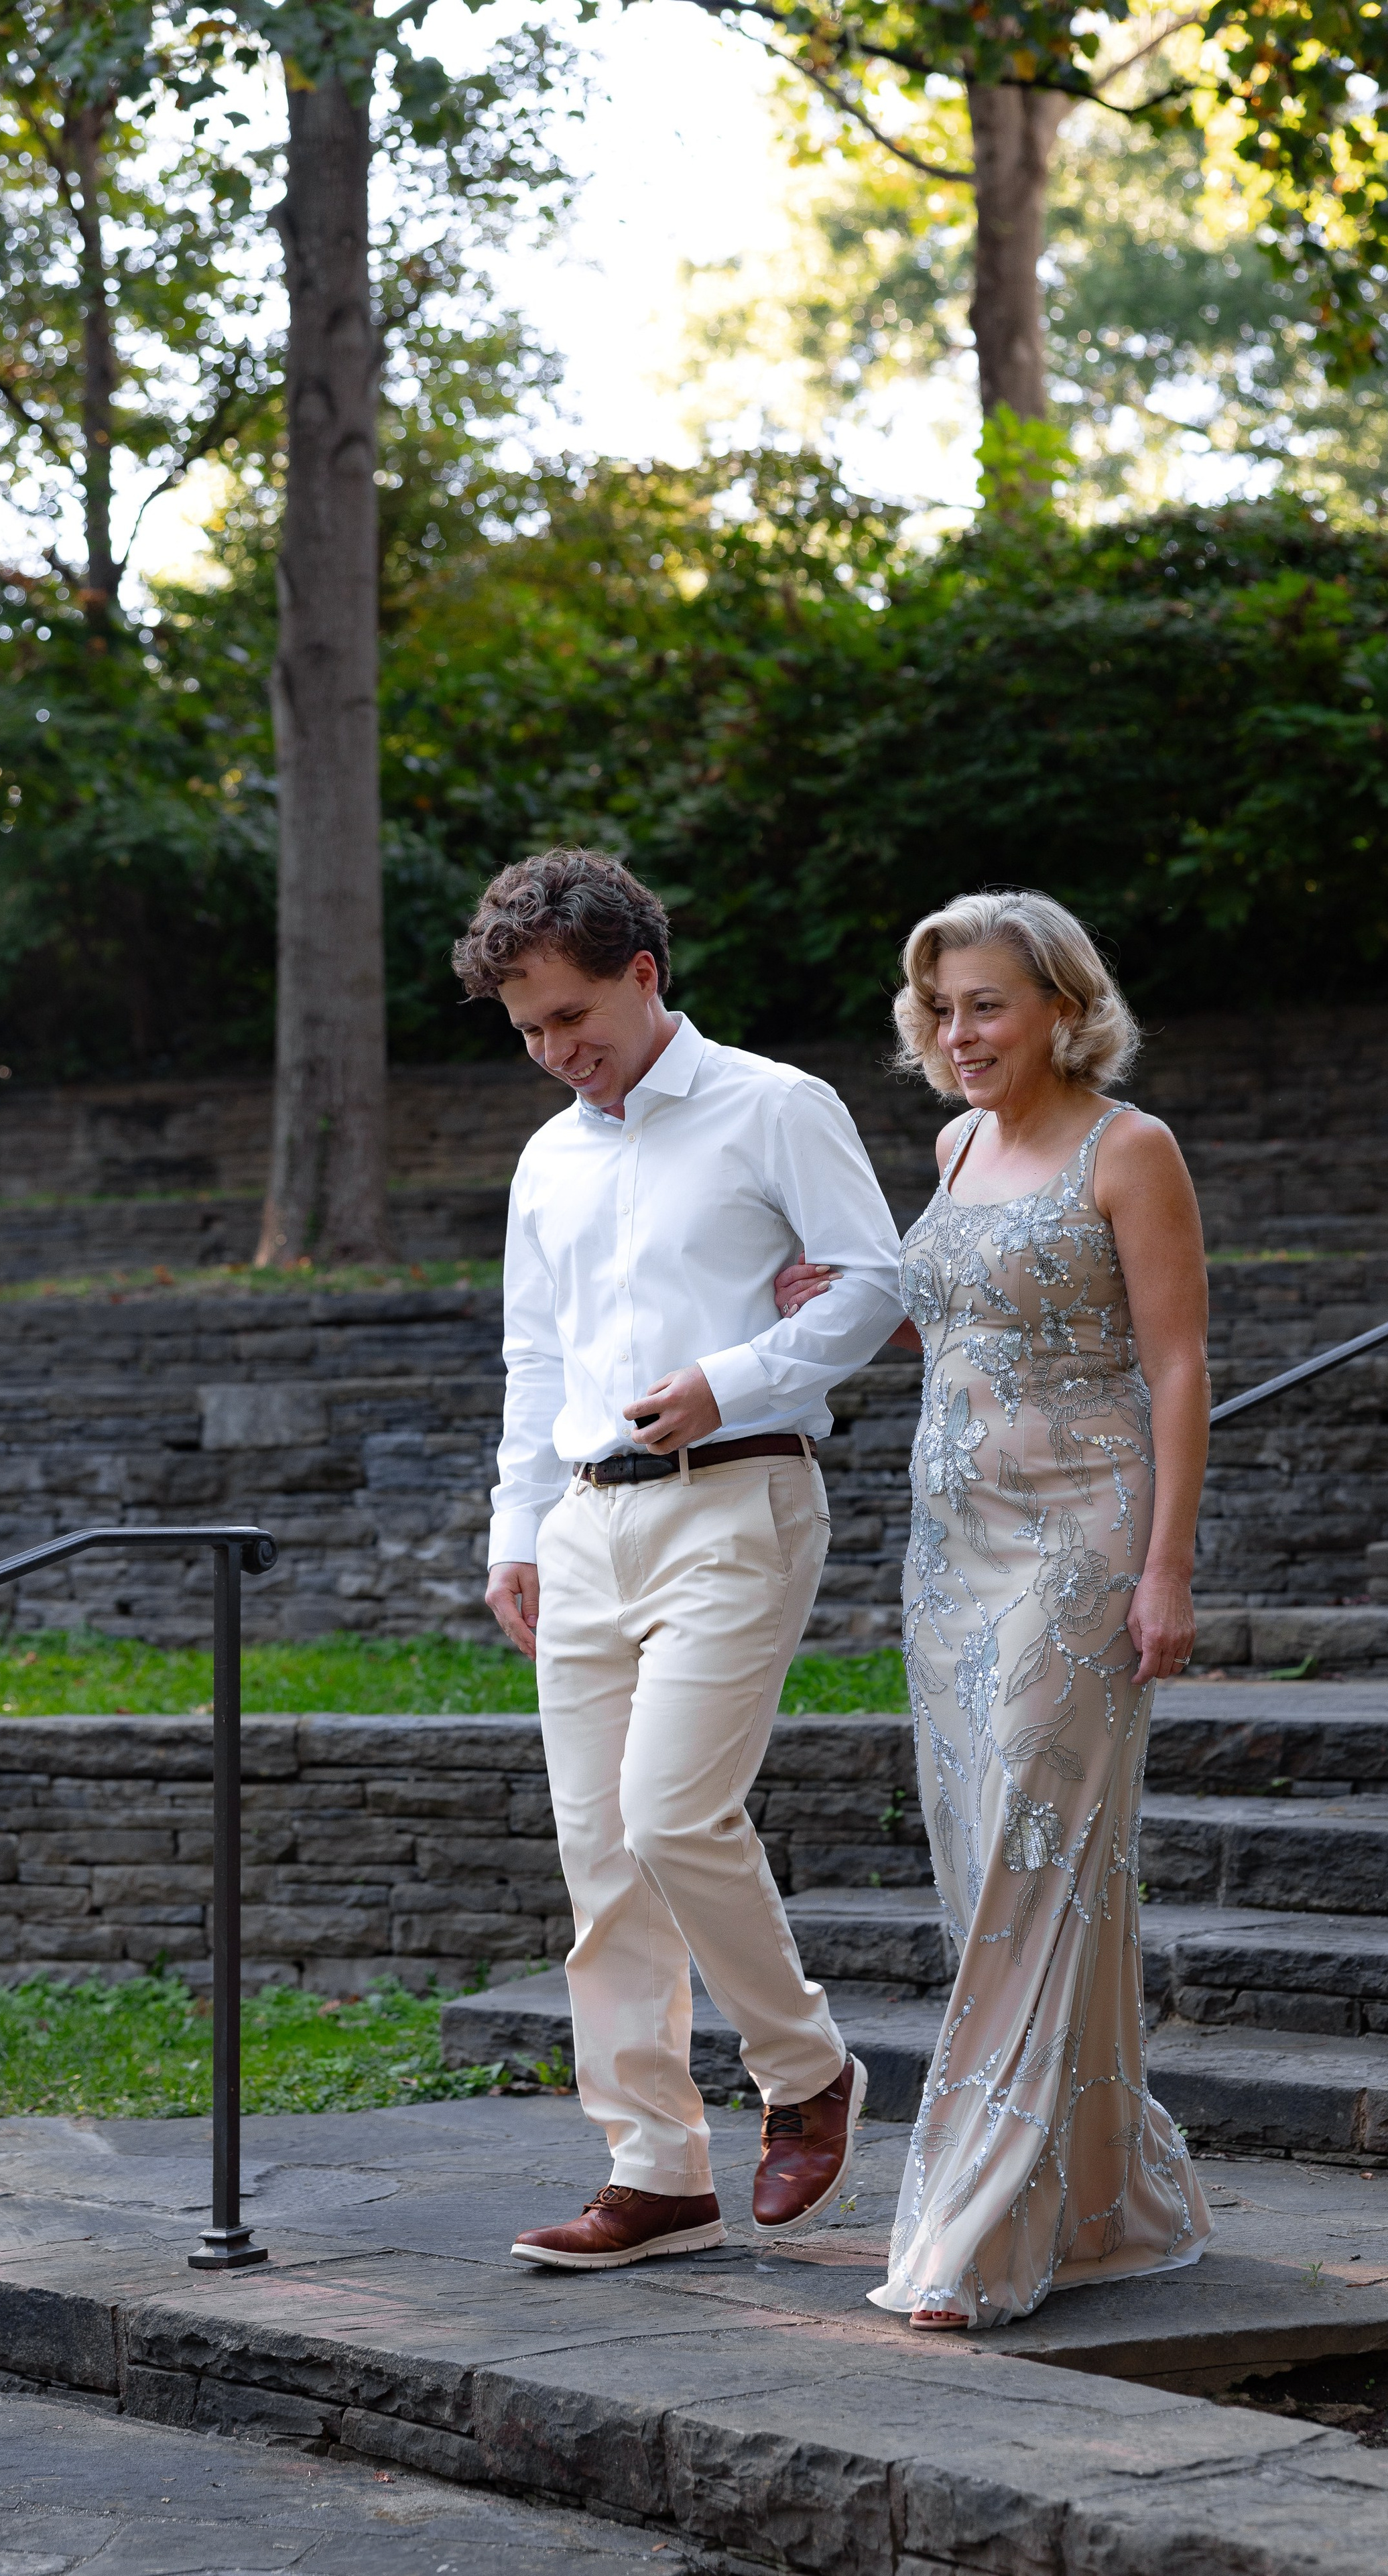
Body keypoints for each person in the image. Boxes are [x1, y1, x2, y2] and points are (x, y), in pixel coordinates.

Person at [452, 846, 905, 2273]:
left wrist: (734, 1375)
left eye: (572, 1015)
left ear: (643, 973)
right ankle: (652, 2169)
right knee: (601, 1859)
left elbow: (876, 1277)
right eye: (528, 1030)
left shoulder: (775, 1106)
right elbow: (533, 1354)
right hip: (584, 1521)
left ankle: (806, 2070)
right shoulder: (547, 1154)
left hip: (737, 1496)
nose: (554, 1052)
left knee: (669, 1812)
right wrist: (514, 1527)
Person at [776, 888, 1212, 2329]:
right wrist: (864, 1297)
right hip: (946, 1552)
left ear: (1061, 1007)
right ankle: (1091, 2200)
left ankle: (974, 2226)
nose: (957, 1033)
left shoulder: (1127, 1146)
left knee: (1037, 1848)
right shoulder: (955, 1145)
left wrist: (1165, 1566)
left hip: (1077, 1543)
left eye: (985, 1004)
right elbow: (963, 1305)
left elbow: (1173, 1366)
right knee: (989, 1869)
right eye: (940, 1008)